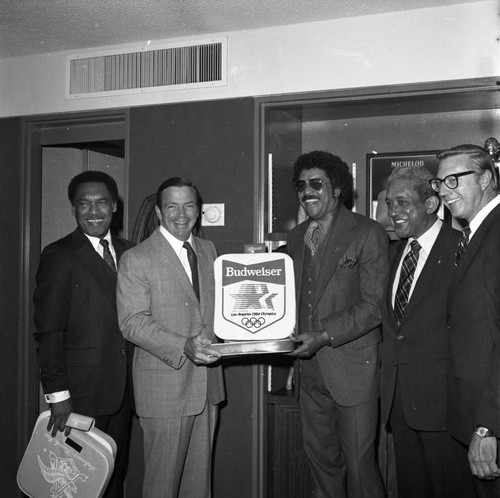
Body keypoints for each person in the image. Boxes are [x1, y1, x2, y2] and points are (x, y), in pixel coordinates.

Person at [287, 150, 388, 498]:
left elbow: (374, 307)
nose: (307, 192)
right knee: (321, 463)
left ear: (338, 187)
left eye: (317, 183)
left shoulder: (368, 232)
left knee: (360, 466)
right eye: (301, 186)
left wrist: (324, 335)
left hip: (353, 370)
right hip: (309, 372)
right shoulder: (297, 237)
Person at [116, 177, 225, 498]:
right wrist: (183, 346)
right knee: (161, 489)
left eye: (189, 206)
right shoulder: (137, 258)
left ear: (198, 211)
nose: (181, 214)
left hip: (207, 388)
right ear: (159, 213)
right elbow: (132, 323)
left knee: (198, 488)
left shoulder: (208, 250)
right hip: (164, 391)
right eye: (172, 207)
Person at [33, 170, 134, 498]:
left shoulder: (129, 251)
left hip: (124, 391)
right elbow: (48, 331)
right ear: (73, 209)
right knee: (75, 483)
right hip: (80, 394)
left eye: (102, 202)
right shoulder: (59, 255)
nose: (94, 211)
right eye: (84, 204)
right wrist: (57, 396)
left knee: (113, 476)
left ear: (114, 207)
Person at [381, 166, 473, 497]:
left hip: (445, 409)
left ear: (432, 205)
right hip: (401, 405)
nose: (394, 212)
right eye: (390, 203)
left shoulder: (462, 249)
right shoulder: (394, 252)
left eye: (403, 203)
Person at [432, 144, 500, 496]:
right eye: (440, 182)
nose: (444, 191)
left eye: (454, 180)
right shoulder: (476, 232)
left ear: (487, 178)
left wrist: (489, 427)